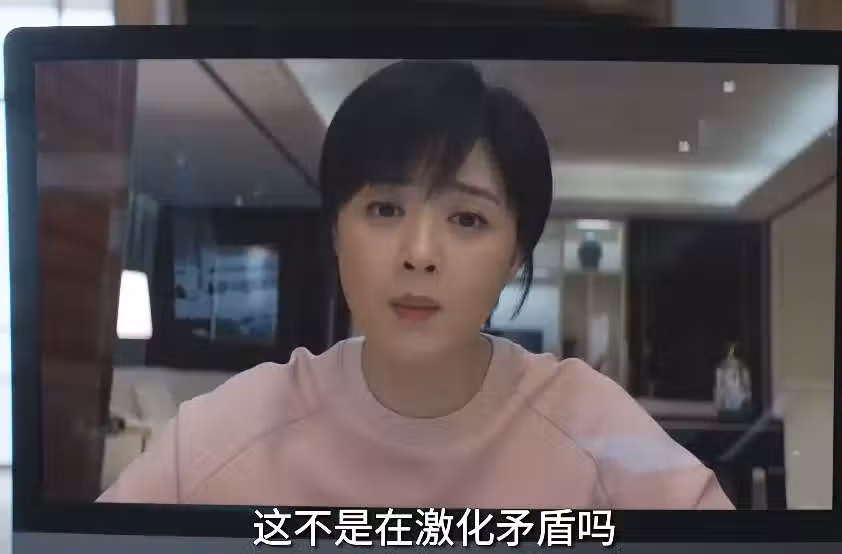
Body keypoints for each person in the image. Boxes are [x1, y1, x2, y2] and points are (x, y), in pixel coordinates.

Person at [99, 60, 734, 509]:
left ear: (515, 256)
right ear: (336, 231)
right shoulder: (232, 428)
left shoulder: (589, 421)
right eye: (384, 209)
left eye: (467, 219)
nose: (420, 255)